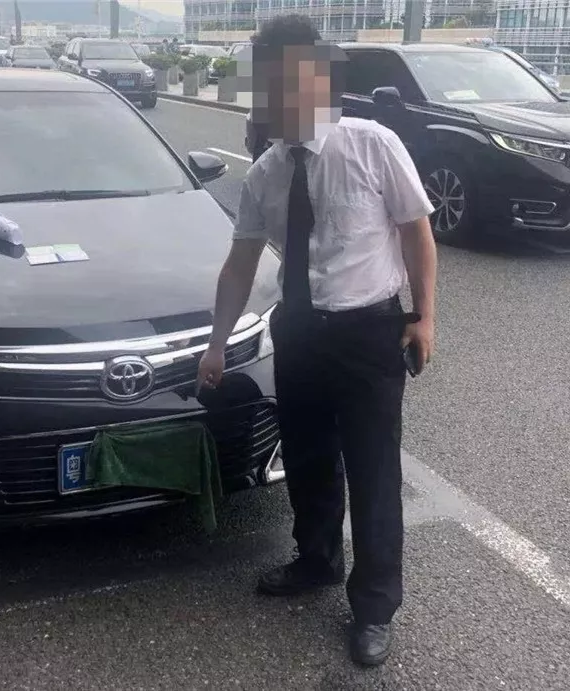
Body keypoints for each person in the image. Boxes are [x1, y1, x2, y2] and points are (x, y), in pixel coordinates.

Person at [196, 14, 437, 667]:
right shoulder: (264, 173)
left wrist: (424, 317)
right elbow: (240, 265)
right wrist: (216, 344)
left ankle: (375, 605)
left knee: (373, 471)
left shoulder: (373, 143)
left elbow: (416, 231)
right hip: (299, 332)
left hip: (367, 333)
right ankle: (317, 559)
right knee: (306, 458)